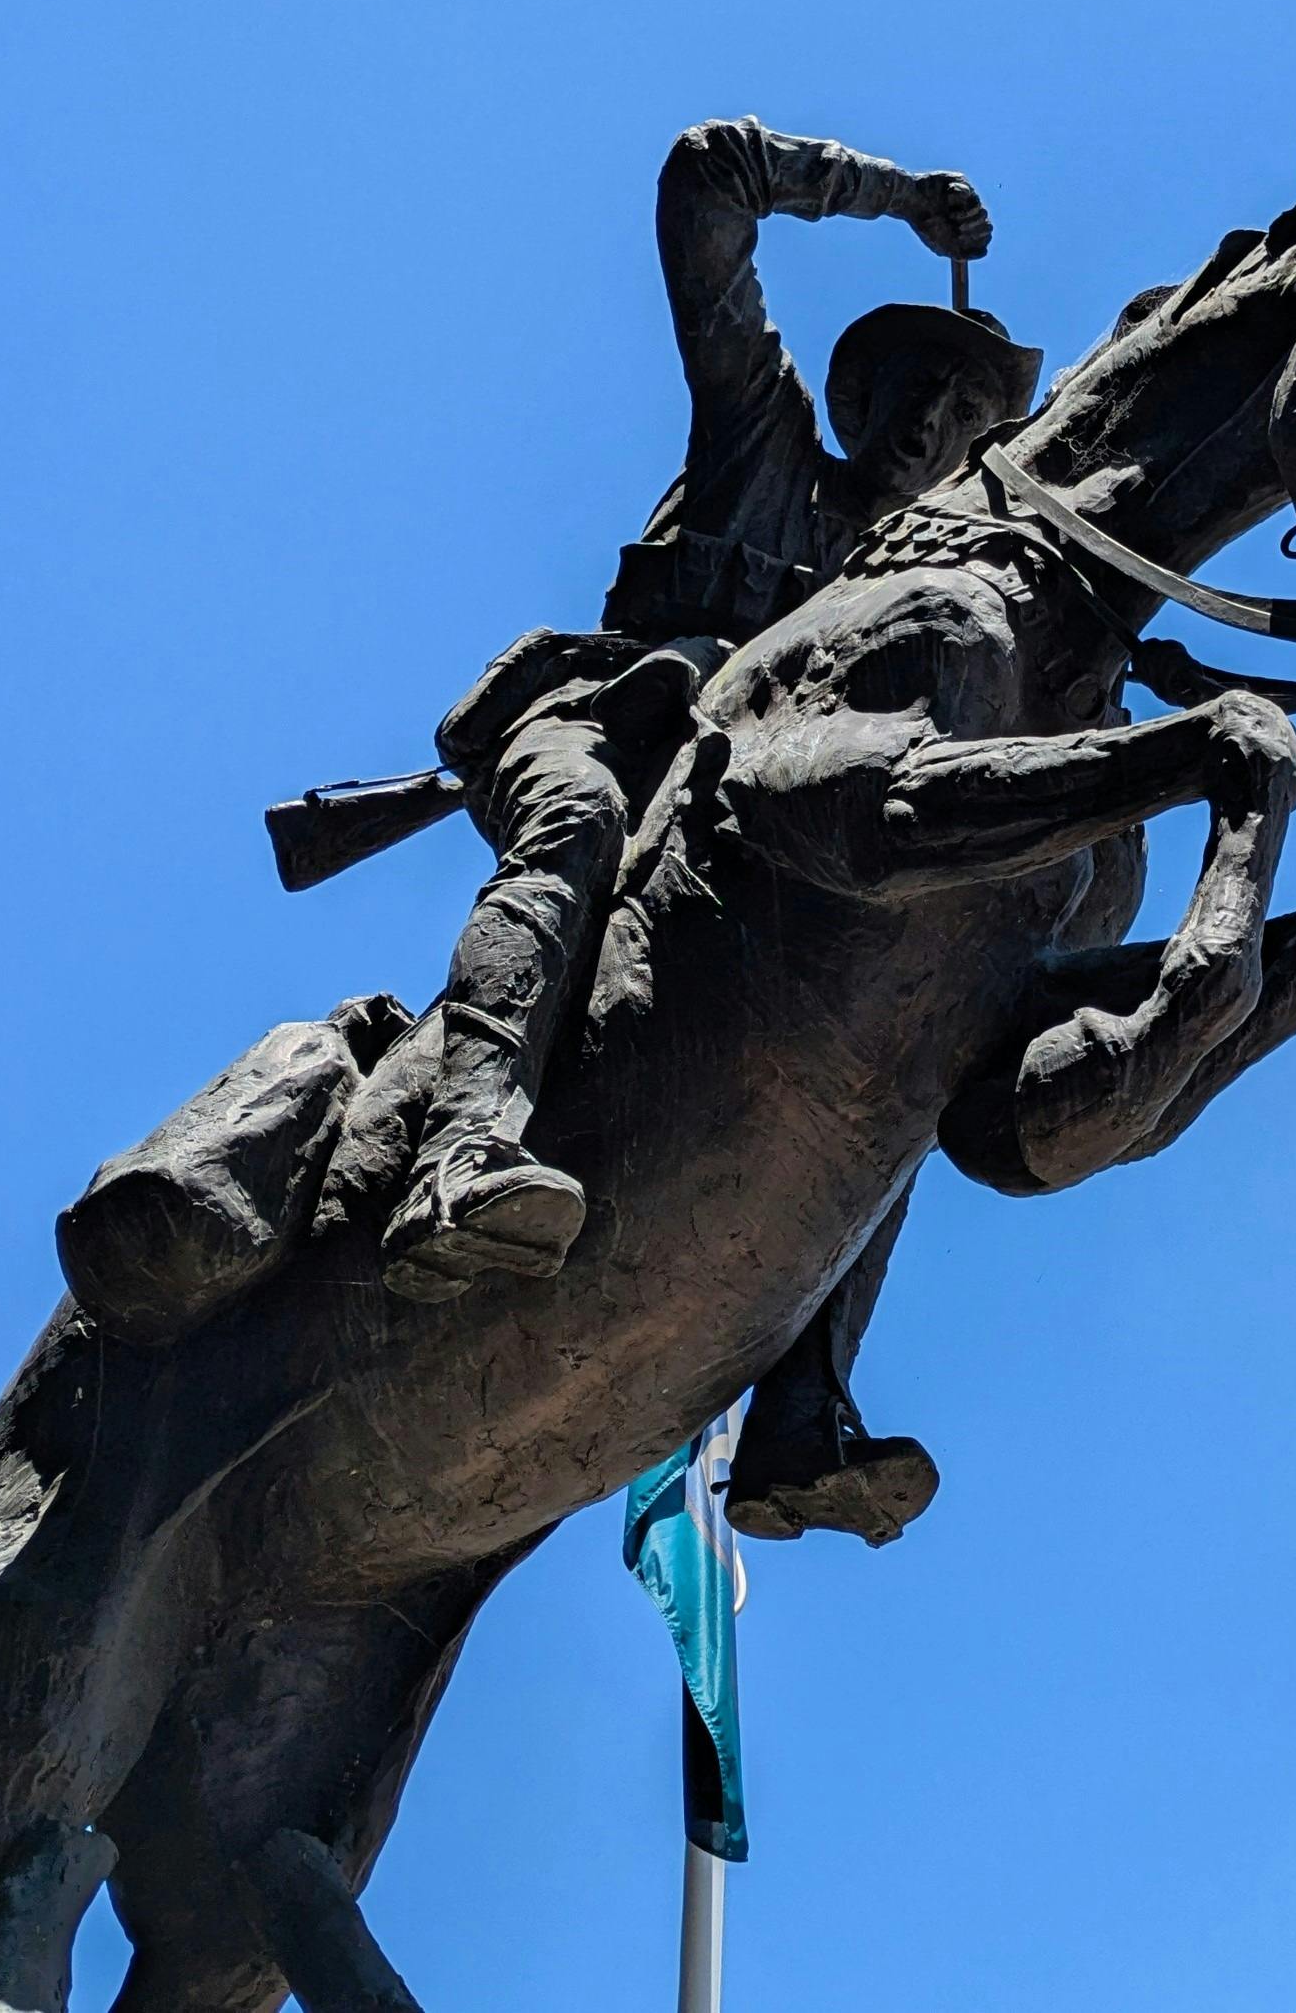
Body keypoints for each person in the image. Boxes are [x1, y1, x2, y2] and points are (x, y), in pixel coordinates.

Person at [380, 118, 1041, 1540]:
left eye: (970, 413)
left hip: (761, 833)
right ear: (860, 398)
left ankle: (803, 1415)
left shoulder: (923, 594)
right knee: (576, 818)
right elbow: (707, 176)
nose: (937, 422)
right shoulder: (759, 436)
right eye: (917, 387)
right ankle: (460, 1148)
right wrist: (895, 196)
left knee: (908, 1022)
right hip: (615, 726)